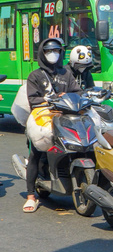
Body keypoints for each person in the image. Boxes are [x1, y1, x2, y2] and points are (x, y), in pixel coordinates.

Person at [23, 38, 82, 213]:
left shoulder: (66, 73)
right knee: (35, 153)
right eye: (49, 51)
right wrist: (50, 99)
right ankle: (31, 196)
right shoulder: (35, 76)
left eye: (56, 50)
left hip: (65, 118)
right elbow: (33, 99)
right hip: (43, 119)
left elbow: (77, 92)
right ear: (43, 53)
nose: (53, 54)